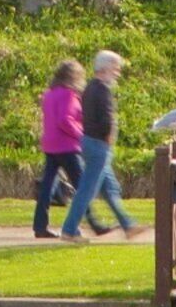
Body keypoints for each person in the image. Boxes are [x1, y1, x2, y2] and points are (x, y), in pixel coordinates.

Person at [64, 50, 133, 240]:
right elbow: (106, 119)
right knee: (87, 191)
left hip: (91, 143)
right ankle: (69, 229)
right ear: (105, 68)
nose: (117, 72)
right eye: (115, 68)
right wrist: (109, 137)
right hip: (98, 146)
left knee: (110, 189)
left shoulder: (90, 88)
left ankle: (129, 225)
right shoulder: (101, 90)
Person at [32, 59, 85, 238]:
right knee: (84, 185)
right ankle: (91, 222)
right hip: (67, 146)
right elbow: (65, 120)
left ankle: (40, 226)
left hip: (50, 144)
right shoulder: (69, 94)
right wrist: (81, 134)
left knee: (47, 187)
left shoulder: (49, 94)